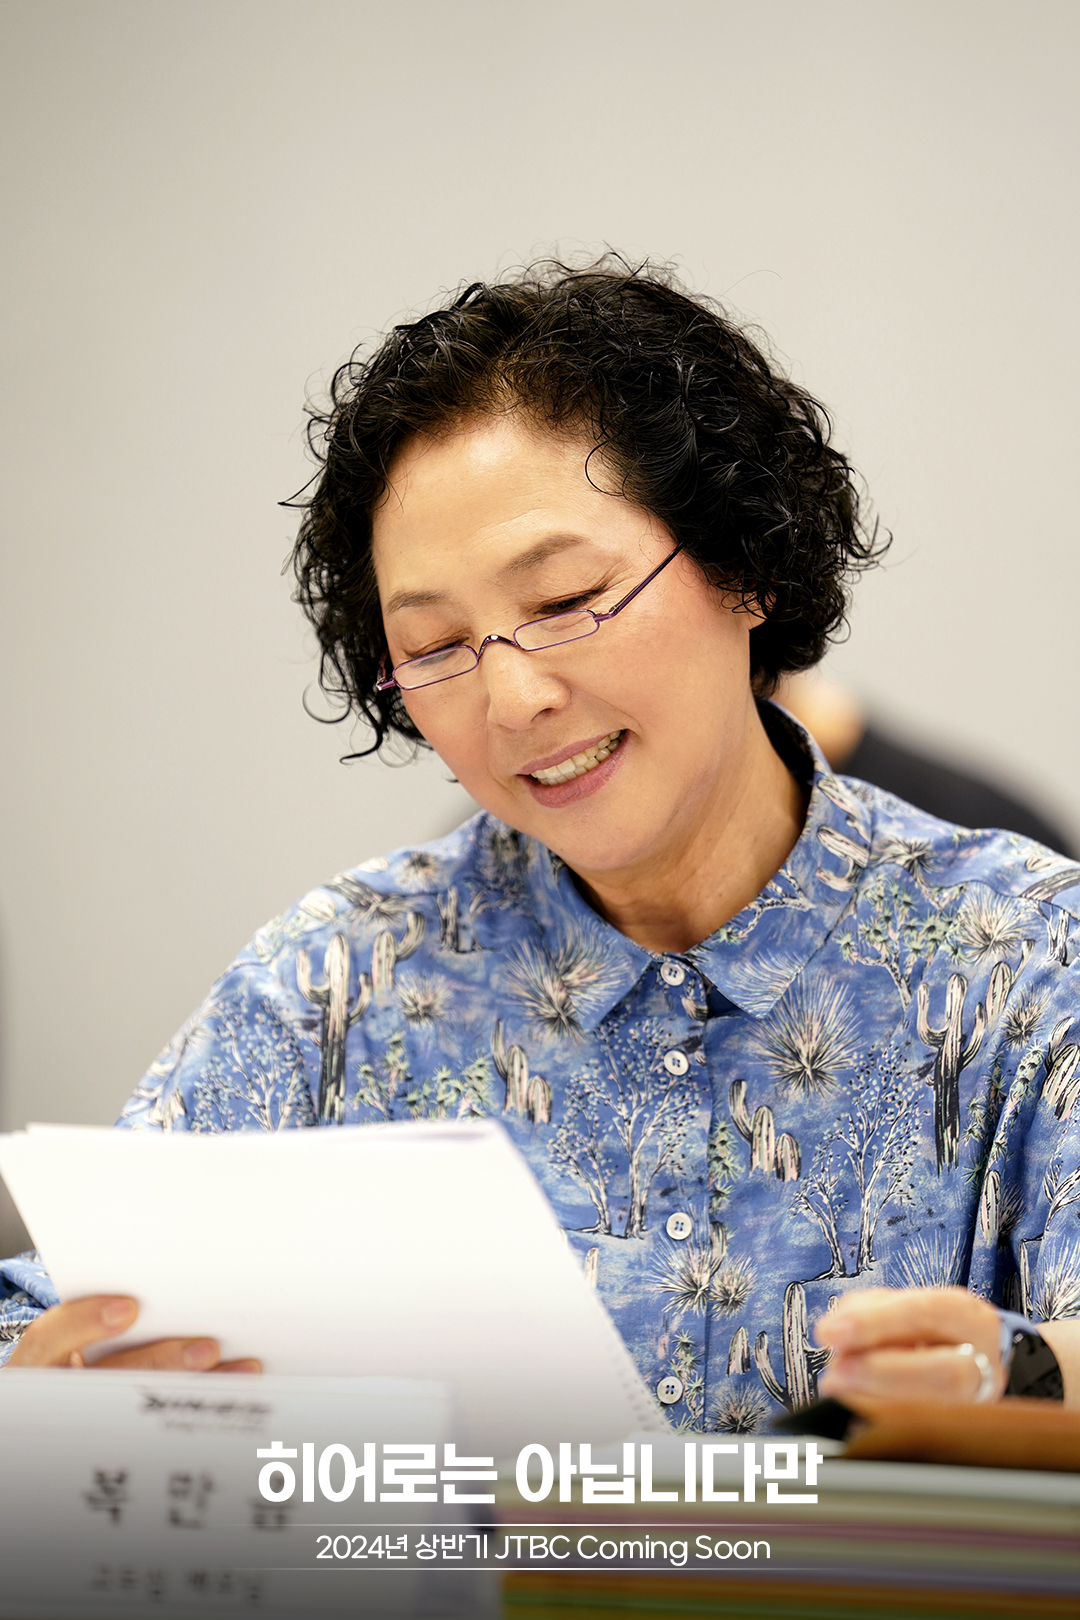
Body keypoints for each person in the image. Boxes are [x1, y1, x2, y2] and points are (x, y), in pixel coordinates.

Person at [3, 261, 1077, 1428]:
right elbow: (53, 1314)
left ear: (744, 564)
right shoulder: (340, 985)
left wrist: (1023, 1380)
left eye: (566, 600)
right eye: (437, 644)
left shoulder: (1023, 959)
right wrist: (61, 1387)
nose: (511, 697)